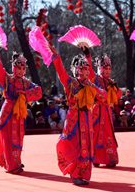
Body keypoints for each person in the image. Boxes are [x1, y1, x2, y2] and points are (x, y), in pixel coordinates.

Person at [49, 44, 106, 186]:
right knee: (74, 145)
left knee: (86, 146)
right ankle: (75, 174)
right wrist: (56, 56)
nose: (84, 71)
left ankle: (84, 174)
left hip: (87, 118)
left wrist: (88, 55)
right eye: (81, 68)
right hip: (74, 118)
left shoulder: (90, 85)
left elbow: (103, 96)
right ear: (75, 70)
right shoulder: (71, 83)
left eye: (86, 69)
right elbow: (61, 72)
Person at [0, 41, 42, 174]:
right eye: (18, 67)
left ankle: (16, 161)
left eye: (23, 68)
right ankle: (11, 165)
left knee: (18, 138)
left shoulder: (26, 82)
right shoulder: (7, 79)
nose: (20, 71)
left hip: (19, 114)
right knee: (8, 139)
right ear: (13, 67)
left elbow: (39, 91)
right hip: (8, 113)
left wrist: (25, 94)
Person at [85, 52, 122, 168]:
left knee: (108, 134)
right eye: (104, 68)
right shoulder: (94, 78)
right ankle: (96, 158)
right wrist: (87, 56)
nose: (107, 71)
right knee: (95, 134)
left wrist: (113, 92)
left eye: (109, 69)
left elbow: (118, 94)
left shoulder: (111, 82)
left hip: (106, 111)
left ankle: (109, 158)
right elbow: (89, 70)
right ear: (99, 68)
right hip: (96, 111)